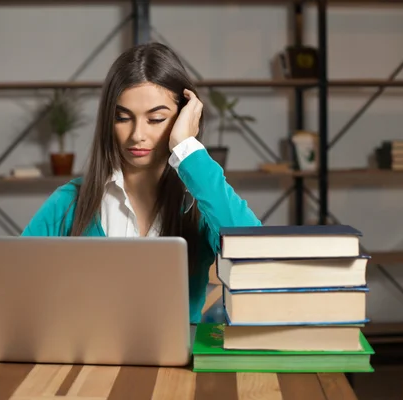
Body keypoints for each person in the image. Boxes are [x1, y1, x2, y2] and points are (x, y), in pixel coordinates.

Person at [22, 42, 261, 324]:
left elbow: (254, 254)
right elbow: (16, 289)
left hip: (178, 366)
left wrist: (187, 148)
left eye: (156, 119)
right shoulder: (69, 202)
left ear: (183, 118)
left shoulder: (203, 203)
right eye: (123, 118)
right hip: (86, 363)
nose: (137, 135)